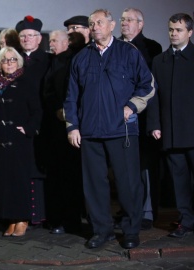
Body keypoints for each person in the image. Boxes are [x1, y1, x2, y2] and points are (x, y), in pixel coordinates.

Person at [64, 9, 155, 249]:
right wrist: (72, 126)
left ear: (112, 25)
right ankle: (101, 231)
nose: (94, 27)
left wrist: (132, 106)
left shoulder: (128, 53)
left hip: (121, 130)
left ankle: (131, 230)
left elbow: (147, 85)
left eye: (99, 23)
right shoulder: (81, 58)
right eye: (92, 24)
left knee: (128, 184)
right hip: (90, 132)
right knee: (94, 186)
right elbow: (71, 97)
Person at [0, 46, 38, 237]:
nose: (9, 63)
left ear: (18, 62)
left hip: (18, 139)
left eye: (12, 59)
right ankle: (10, 219)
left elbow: (37, 110)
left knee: (19, 180)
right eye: (5, 60)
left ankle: (22, 219)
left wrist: (28, 129)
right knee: (2, 181)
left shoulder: (26, 81)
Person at [147, 13, 194, 238]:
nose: (174, 34)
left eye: (179, 30)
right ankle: (186, 221)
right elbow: (153, 96)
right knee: (179, 181)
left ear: (190, 32)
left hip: (192, 130)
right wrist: (155, 124)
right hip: (172, 132)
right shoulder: (159, 60)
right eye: (171, 30)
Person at [117, 7, 163, 231]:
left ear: (140, 24)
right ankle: (128, 208)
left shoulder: (152, 48)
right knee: (124, 169)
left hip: (143, 117)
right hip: (118, 117)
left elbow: (152, 86)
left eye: (129, 20)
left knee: (145, 168)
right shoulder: (114, 46)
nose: (124, 23)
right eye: (122, 20)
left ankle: (146, 211)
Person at [43, 30, 84, 235]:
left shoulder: (72, 60)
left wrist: (65, 111)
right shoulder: (54, 61)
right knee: (57, 175)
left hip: (70, 123)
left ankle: (71, 219)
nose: (51, 44)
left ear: (66, 42)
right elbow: (48, 91)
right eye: (49, 40)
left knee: (70, 175)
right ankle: (58, 218)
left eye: (54, 40)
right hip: (54, 124)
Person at [15, 15, 49, 228]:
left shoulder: (48, 60)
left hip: (42, 122)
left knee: (40, 167)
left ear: (39, 38)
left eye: (31, 35)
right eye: (23, 36)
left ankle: (41, 214)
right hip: (17, 122)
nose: (27, 39)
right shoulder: (12, 59)